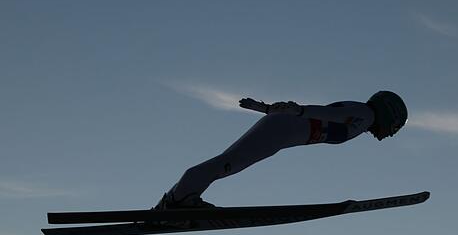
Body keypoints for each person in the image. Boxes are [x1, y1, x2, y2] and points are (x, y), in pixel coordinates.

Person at [154, 90, 407, 210]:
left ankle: (172, 201)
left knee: (229, 163)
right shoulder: (365, 114)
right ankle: (180, 200)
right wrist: (299, 110)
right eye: (395, 126)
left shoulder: (363, 116)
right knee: (228, 163)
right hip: (282, 129)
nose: (390, 132)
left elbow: (328, 114)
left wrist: (267, 109)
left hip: (282, 129)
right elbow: (332, 114)